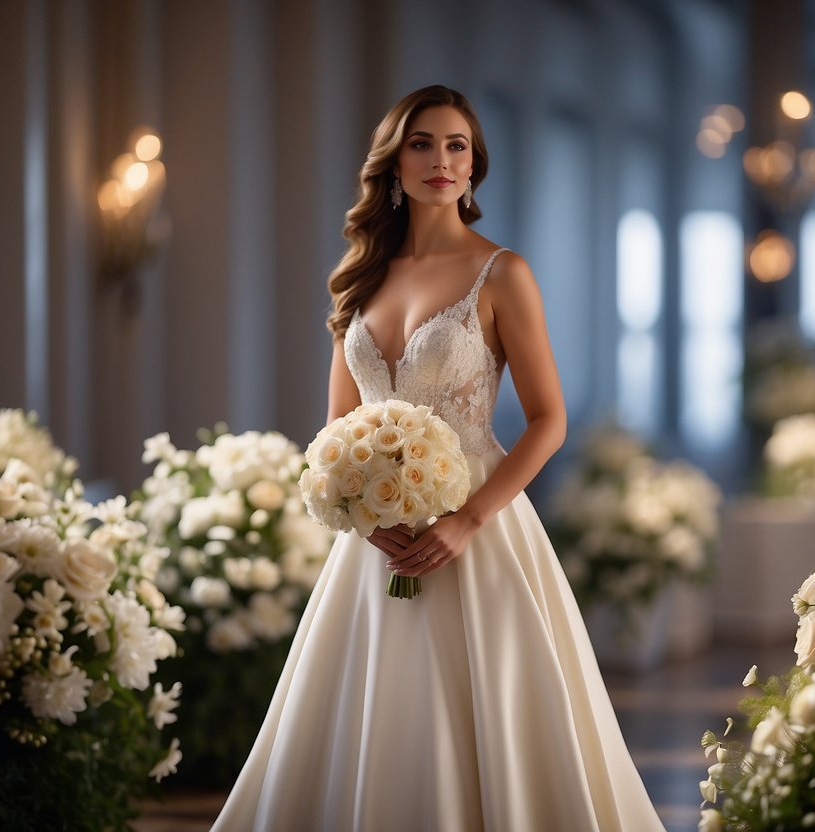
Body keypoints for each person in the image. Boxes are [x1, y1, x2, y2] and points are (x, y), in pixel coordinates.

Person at [212, 84, 664, 831]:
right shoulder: (361, 279)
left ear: (474, 165)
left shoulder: (503, 273)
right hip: (375, 542)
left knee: (484, 713)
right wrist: (360, 518)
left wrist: (466, 522)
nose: (441, 160)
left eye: (457, 146)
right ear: (393, 163)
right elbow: (335, 428)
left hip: (477, 526)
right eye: (422, 143)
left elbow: (548, 420)